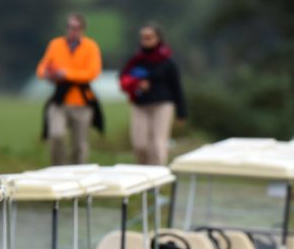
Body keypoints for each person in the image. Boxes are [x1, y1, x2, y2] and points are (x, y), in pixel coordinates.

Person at [36, 13, 103, 165]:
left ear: (82, 30)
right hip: (60, 100)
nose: (73, 31)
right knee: (56, 135)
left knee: (79, 145)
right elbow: (41, 68)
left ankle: (77, 174)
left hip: (82, 102)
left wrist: (66, 74)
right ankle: (58, 170)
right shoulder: (55, 44)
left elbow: (92, 73)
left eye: (77, 28)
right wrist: (47, 73)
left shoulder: (91, 47)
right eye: (70, 27)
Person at [119, 23, 187, 165]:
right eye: (143, 38)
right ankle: (144, 173)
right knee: (140, 145)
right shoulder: (136, 61)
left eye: (149, 37)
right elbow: (123, 78)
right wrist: (136, 84)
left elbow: (176, 87)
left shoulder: (168, 63)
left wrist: (182, 111)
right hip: (140, 104)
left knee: (157, 144)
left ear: (158, 39)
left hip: (162, 104)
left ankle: (158, 178)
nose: (146, 41)